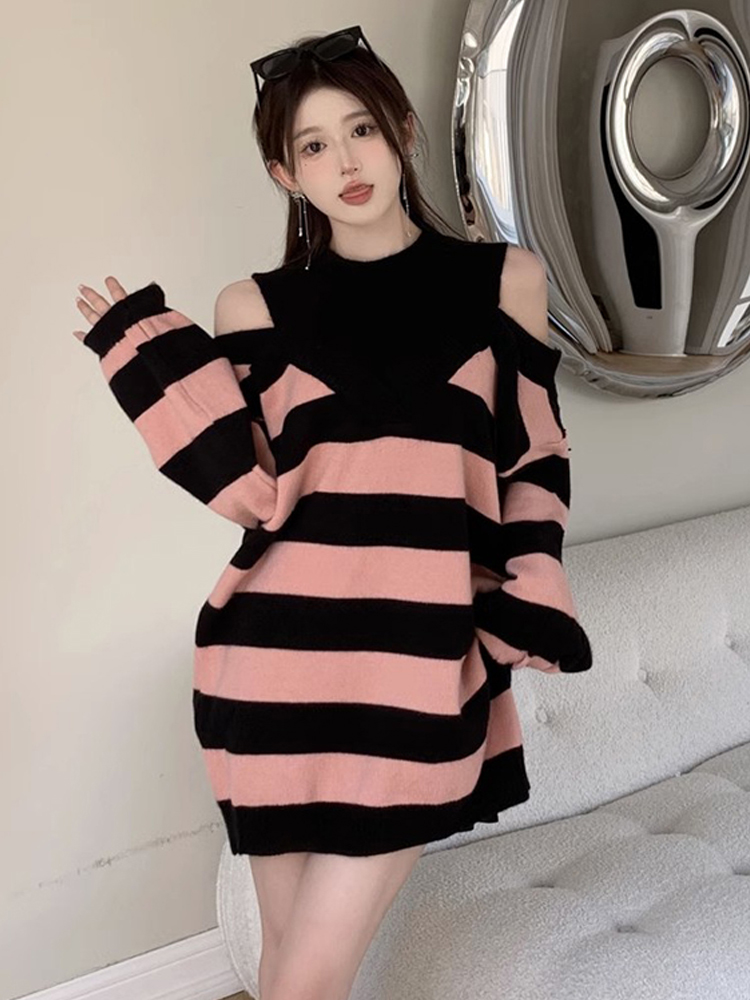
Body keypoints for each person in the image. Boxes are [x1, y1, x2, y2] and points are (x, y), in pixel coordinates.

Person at [73, 24, 592, 1000]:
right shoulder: (253, 308)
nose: (345, 161)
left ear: (401, 130)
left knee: (303, 978)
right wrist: (150, 367)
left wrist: (529, 590)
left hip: (418, 667)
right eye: (313, 144)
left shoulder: (506, 282)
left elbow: (533, 461)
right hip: (273, 663)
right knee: (291, 971)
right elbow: (251, 490)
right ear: (285, 172)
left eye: (361, 128)